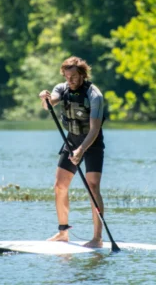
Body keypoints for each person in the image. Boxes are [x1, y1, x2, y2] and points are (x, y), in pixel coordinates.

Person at [39, 56, 105, 248]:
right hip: (71, 140)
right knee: (60, 186)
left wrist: (81, 150)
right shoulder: (61, 88)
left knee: (93, 188)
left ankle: (97, 238)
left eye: (74, 76)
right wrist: (46, 99)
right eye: (67, 76)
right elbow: (51, 103)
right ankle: (63, 233)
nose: (70, 80)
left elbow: (94, 129)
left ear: (83, 74)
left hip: (91, 143)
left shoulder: (95, 95)